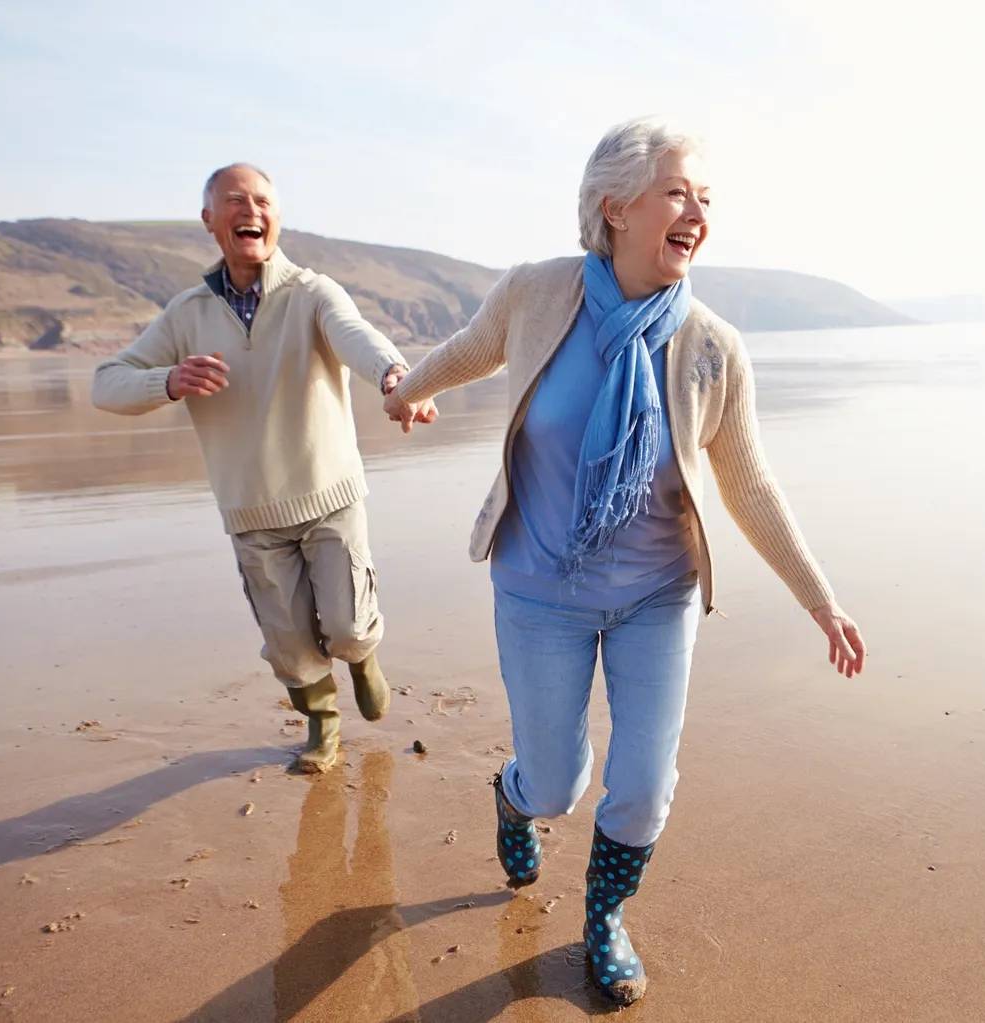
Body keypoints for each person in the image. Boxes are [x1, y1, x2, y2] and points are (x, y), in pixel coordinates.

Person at [384, 118, 866, 1006]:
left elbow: (750, 487)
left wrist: (821, 601)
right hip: (538, 589)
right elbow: (468, 351)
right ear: (615, 206)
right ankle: (512, 796)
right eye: (680, 192)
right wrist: (405, 391)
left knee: (643, 788)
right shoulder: (536, 294)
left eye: (707, 199)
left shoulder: (713, 347)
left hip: (657, 595)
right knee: (557, 781)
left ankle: (604, 918)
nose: (698, 213)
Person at [92, 163, 435, 774]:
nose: (251, 210)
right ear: (209, 221)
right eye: (234, 201)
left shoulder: (312, 292)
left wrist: (395, 375)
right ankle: (323, 725)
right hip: (250, 509)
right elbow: (106, 385)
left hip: (329, 493)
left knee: (349, 625)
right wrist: (166, 380)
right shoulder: (186, 313)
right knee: (290, 644)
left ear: (277, 215)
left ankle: (363, 657)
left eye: (262, 200)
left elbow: (357, 336)